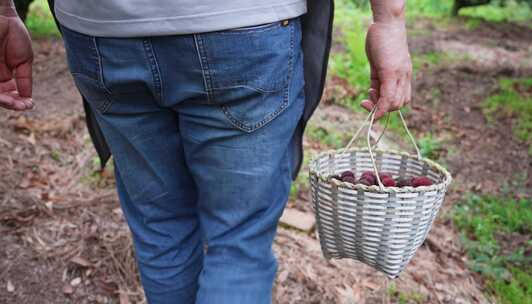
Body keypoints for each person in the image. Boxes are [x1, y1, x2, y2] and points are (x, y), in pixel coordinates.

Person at [0, 0, 412, 303]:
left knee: (161, 228)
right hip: (241, 26)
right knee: (238, 240)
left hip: (102, 33)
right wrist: (388, 21)